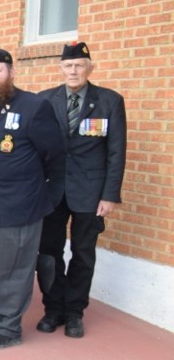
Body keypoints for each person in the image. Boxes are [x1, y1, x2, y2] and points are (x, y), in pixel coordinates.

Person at [0, 48, 64, 349]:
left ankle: (8, 328)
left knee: (12, 269)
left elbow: (54, 157)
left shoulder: (33, 106)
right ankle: (6, 318)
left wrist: (43, 197)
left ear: (11, 73)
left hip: (16, 206)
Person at [36, 42, 126, 339]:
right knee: (48, 253)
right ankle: (53, 308)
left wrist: (110, 195)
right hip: (52, 190)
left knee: (83, 253)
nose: (73, 71)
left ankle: (74, 311)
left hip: (90, 191)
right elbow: (36, 148)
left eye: (78, 65)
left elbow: (116, 152)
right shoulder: (45, 100)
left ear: (90, 68)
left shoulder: (109, 101)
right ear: (60, 68)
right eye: (68, 66)